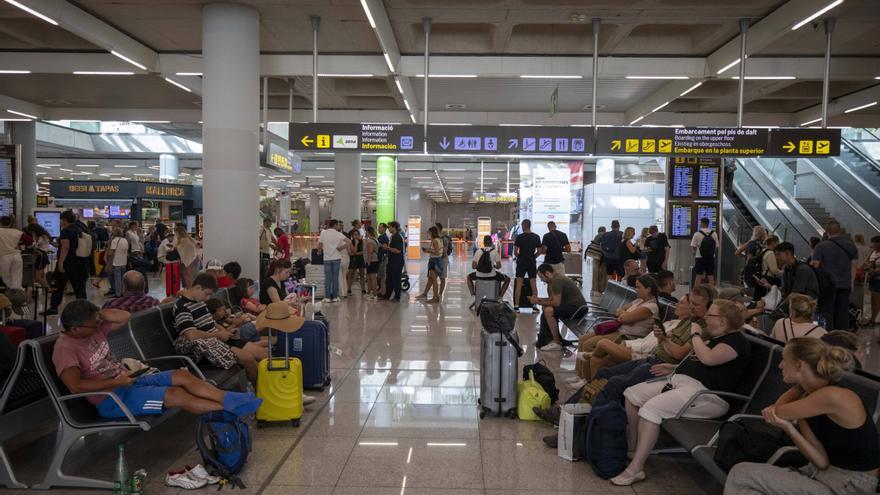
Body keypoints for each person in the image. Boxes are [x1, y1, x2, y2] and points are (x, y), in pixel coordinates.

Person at [612, 300, 750, 486]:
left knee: (651, 410)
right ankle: (633, 448)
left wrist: (695, 334)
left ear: (723, 321)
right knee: (631, 394)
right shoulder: (716, 338)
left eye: (710, 314)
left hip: (707, 396)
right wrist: (674, 367)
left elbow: (708, 359)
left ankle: (635, 468)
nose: (706, 318)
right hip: (683, 383)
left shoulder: (737, 341)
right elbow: (699, 362)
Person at [52, 300, 262, 419]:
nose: (99, 327)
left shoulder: (91, 330)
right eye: (93, 324)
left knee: (182, 375)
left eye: (99, 322)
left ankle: (227, 398)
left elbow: (124, 316)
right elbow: (75, 386)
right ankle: (227, 409)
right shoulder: (65, 349)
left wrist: (97, 314)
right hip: (112, 399)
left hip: (129, 380)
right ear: (74, 328)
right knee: (175, 393)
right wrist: (114, 382)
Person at [724, 338, 879, 495]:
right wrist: (789, 427)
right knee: (747, 490)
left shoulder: (834, 396)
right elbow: (821, 461)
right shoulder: (809, 399)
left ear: (799, 365)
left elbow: (776, 411)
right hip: (822, 473)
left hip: (849, 485)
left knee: (740, 474)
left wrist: (801, 386)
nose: (780, 365)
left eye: (784, 359)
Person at [172, 273, 261, 382]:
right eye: (207, 294)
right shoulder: (182, 307)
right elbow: (191, 335)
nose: (208, 298)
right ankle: (257, 392)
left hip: (217, 339)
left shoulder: (199, 302)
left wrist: (225, 331)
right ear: (198, 288)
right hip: (209, 346)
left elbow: (211, 322)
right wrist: (219, 334)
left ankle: (258, 388)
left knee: (259, 355)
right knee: (249, 359)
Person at [573, 274, 660, 382]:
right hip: (618, 329)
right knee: (583, 339)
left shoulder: (650, 307)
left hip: (626, 336)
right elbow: (620, 310)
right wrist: (624, 314)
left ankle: (585, 379)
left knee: (588, 344)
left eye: (638, 287)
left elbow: (625, 318)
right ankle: (579, 374)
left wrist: (624, 315)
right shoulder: (639, 301)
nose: (636, 289)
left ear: (648, 289)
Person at [811, 220, 857, 330]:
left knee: (827, 312)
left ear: (826, 232)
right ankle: (842, 337)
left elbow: (815, 265)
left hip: (827, 286)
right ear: (840, 230)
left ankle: (828, 336)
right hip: (845, 285)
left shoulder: (821, 246)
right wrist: (852, 283)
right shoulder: (851, 246)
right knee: (843, 312)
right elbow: (854, 266)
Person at [531, 264, 586, 352]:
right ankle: (548, 339)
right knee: (546, 308)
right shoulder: (556, 279)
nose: (541, 280)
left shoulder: (557, 281)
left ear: (548, 273)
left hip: (578, 309)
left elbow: (556, 303)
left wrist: (537, 302)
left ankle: (557, 343)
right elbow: (552, 299)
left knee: (549, 311)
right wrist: (539, 300)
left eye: (541, 277)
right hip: (575, 307)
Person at [44, 211, 88, 316]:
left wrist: (60, 262)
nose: (60, 222)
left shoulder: (66, 231)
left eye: (61, 219)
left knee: (58, 286)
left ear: (64, 220)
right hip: (79, 262)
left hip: (67, 263)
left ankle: (54, 308)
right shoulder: (79, 229)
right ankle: (84, 309)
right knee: (79, 287)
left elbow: (66, 247)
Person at [466, 235, 511, 299]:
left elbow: (473, 266)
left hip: (479, 276)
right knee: (507, 279)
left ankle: (473, 295)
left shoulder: (478, 251)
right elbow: (499, 266)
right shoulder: (495, 252)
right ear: (491, 243)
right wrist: (493, 266)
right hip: (492, 277)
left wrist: (481, 267)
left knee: (468, 277)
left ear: (483, 243)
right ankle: (500, 297)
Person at [513, 219, 541, 312]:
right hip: (531, 262)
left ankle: (516, 306)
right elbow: (540, 251)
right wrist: (534, 257)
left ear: (523, 226)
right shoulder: (536, 237)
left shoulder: (519, 237)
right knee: (533, 284)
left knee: (519, 284)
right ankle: (534, 306)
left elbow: (515, 252)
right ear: (530, 225)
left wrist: (520, 257)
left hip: (521, 262)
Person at [318, 220, 347, 303]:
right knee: (335, 278)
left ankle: (327, 297)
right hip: (336, 258)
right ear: (335, 225)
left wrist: (319, 251)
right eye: (338, 225)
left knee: (328, 278)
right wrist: (341, 248)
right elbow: (349, 242)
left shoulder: (323, 233)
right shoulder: (339, 234)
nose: (339, 226)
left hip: (327, 258)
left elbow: (320, 244)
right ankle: (335, 297)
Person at [417, 226, 444, 303]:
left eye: (429, 233)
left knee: (434, 280)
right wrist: (429, 251)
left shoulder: (435, 241)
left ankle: (435, 297)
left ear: (432, 233)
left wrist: (428, 250)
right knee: (430, 279)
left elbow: (436, 252)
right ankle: (425, 294)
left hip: (434, 261)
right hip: (437, 260)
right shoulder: (439, 239)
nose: (428, 234)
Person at [0, 216, 28, 291]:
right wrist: (20, 246)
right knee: (17, 278)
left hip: (4, 257)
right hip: (17, 256)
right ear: (10, 223)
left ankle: (11, 294)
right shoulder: (17, 232)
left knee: (6, 278)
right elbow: (30, 240)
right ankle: (18, 296)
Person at [380, 221, 405, 301]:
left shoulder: (397, 237)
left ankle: (397, 297)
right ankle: (387, 295)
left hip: (397, 261)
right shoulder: (393, 236)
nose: (388, 228)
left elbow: (398, 251)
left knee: (396, 279)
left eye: (389, 227)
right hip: (391, 261)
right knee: (389, 279)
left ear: (394, 227)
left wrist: (387, 248)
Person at [22, 220, 51, 287]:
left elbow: (35, 246)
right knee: (42, 276)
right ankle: (45, 291)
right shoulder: (44, 236)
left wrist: (28, 246)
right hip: (42, 256)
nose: (31, 233)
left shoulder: (41, 237)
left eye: (31, 232)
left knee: (37, 277)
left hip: (41, 256)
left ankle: (47, 288)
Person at [691, 217, 718, 287]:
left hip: (700, 258)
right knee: (710, 276)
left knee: (698, 277)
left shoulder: (697, 234)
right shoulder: (714, 233)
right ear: (708, 224)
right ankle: (712, 293)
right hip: (711, 258)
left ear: (702, 223)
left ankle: (696, 293)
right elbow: (716, 247)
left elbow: (693, 246)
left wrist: (695, 252)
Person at [103, 227, 128, 298]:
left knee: (117, 279)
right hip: (124, 262)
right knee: (122, 279)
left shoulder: (115, 240)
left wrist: (106, 255)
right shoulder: (125, 240)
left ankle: (117, 294)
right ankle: (122, 292)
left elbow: (111, 252)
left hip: (116, 262)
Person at [852, 233, 872, 314]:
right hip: (863, 272)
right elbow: (868, 262)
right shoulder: (867, 249)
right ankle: (860, 310)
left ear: (856, 239)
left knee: (852, 291)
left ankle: (853, 309)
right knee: (861, 291)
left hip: (854, 271)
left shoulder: (853, 248)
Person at [347, 228, 366, 296]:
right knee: (351, 274)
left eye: (357, 234)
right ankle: (349, 289)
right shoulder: (350, 242)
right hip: (353, 259)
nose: (356, 236)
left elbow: (362, 252)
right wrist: (356, 244)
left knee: (362, 275)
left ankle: (363, 289)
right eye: (355, 234)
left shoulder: (362, 241)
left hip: (360, 259)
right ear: (352, 235)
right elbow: (352, 252)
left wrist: (355, 253)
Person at [590, 226, 608, 294]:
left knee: (595, 273)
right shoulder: (606, 235)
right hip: (603, 257)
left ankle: (594, 289)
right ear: (605, 230)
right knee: (602, 274)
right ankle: (601, 289)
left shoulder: (596, 236)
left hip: (595, 256)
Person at [364, 226, 380, 299]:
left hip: (372, 261)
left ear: (368, 232)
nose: (365, 233)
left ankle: (374, 295)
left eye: (366, 231)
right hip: (374, 260)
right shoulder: (375, 239)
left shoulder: (370, 241)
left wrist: (369, 262)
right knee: (370, 278)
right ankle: (371, 293)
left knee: (372, 278)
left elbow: (370, 252)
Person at [436, 223, 452, 298]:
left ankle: (440, 294)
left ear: (438, 229)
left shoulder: (444, 239)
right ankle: (433, 294)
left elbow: (444, 252)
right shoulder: (436, 238)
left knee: (442, 278)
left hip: (442, 260)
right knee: (432, 278)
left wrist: (434, 252)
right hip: (436, 260)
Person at [867, 235, 880, 325]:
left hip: (879, 279)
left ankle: (874, 319)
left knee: (877, 299)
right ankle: (873, 317)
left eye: (876, 242)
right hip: (874, 279)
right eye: (873, 242)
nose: (874, 244)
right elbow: (869, 263)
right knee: (873, 299)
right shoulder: (873, 252)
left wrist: (873, 270)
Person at [337, 224, 352, 298]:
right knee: (344, 276)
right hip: (347, 259)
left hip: (339, 259)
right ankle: (345, 292)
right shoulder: (347, 242)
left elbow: (336, 249)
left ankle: (341, 293)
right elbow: (349, 252)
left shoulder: (337, 241)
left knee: (339, 277)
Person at [376, 223, 389, 297]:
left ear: (384, 228)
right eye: (378, 227)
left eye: (380, 227)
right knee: (380, 275)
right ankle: (381, 289)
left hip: (383, 258)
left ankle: (382, 291)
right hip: (380, 258)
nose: (378, 229)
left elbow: (385, 248)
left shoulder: (385, 237)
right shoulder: (381, 236)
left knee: (382, 276)